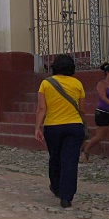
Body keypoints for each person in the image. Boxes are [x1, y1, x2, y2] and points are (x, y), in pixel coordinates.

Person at [35, 54, 86, 209]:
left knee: (55, 158)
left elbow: (42, 108)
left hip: (53, 126)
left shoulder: (46, 83)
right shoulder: (77, 84)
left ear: (54, 67)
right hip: (74, 126)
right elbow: (82, 109)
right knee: (70, 161)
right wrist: (84, 124)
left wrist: (38, 127)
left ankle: (56, 187)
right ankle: (66, 197)